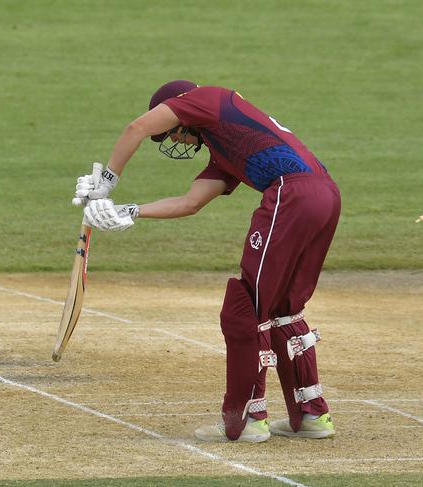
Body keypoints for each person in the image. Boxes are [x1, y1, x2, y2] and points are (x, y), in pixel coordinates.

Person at [75, 81, 341, 442]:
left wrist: (105, 184)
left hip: (290, 194)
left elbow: (135, 128)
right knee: (284, 309)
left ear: (179, 111)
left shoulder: (206, 99)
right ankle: (311, 415)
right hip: (325, 196)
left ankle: (247, 420)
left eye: (172, 134)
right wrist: (128, 212)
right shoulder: (226, 147)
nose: (177, 142)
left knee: (245, 309)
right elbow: (190, 203)